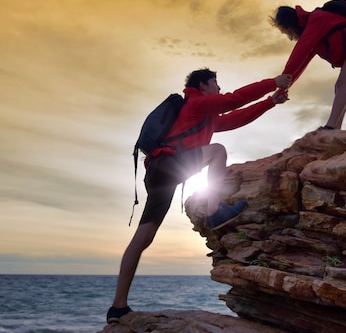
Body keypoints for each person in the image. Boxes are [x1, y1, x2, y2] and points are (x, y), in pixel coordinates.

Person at [106, 68, 291, 323]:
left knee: (143, 237)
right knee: (217, 151)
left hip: (161, 173)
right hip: (168, 165)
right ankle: (214, 211)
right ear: (203, 85)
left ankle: (118, 307)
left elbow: (237, 117)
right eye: (216, 83)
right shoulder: (196, 103)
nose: (219, 87)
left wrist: (270, 102)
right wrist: (273, 83)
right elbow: (233, 100)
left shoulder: (208, 116)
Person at [270, 5, 346, 130]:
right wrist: (285, 85)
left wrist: (282, 79)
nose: (285, 34)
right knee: (341, 85)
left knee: (342, 85)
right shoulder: (311, 28)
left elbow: (300, 51)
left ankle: (331, 127)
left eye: (284, 29)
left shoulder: (316, 19)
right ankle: (335, 128)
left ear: (289, 24)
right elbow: (302, 63)